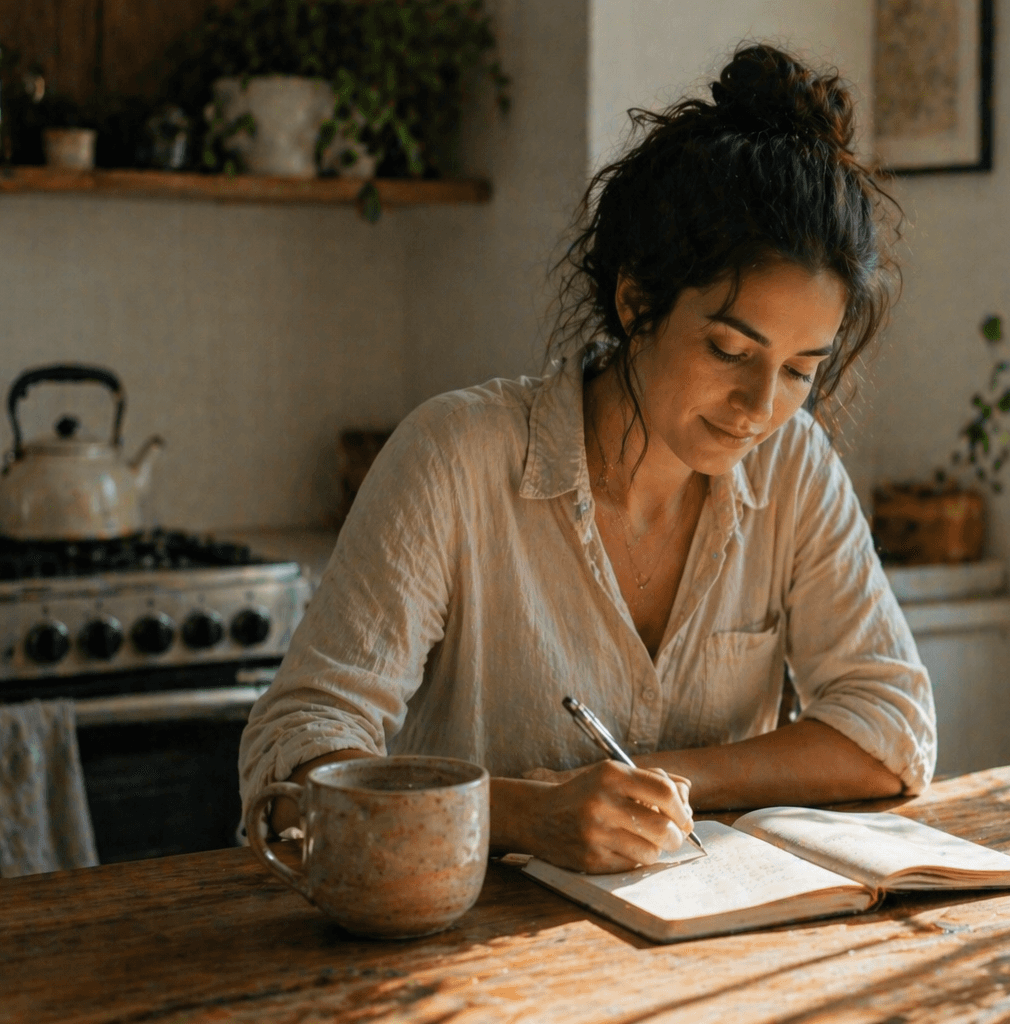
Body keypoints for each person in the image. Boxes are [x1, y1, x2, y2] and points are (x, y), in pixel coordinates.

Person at [239, 43, 936, 874]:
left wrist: (661, 780)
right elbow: (292, 766)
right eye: (727, 349)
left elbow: (890, 729)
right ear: (635, 301)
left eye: (798, 371)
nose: (760, 408)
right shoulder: (457, 458)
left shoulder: (794, 466)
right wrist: (527, 813)